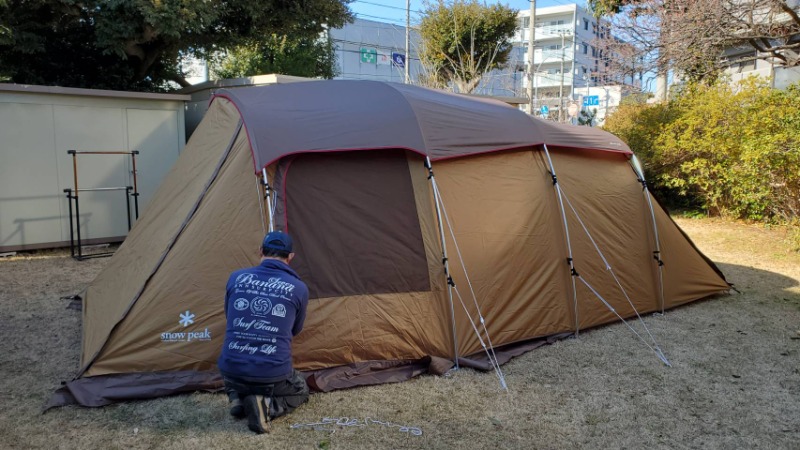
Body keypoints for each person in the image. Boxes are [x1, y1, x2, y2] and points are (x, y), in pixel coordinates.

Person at [218, 230, 310, 434]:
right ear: (291, 257)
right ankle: (266, 406)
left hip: (231, 371)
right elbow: (295, 330)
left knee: (236, 359)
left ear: (260, 251)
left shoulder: (236, 277)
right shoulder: (299, 288)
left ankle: (237, 398)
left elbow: (230, 317)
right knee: (301, 389)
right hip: (271, 375)